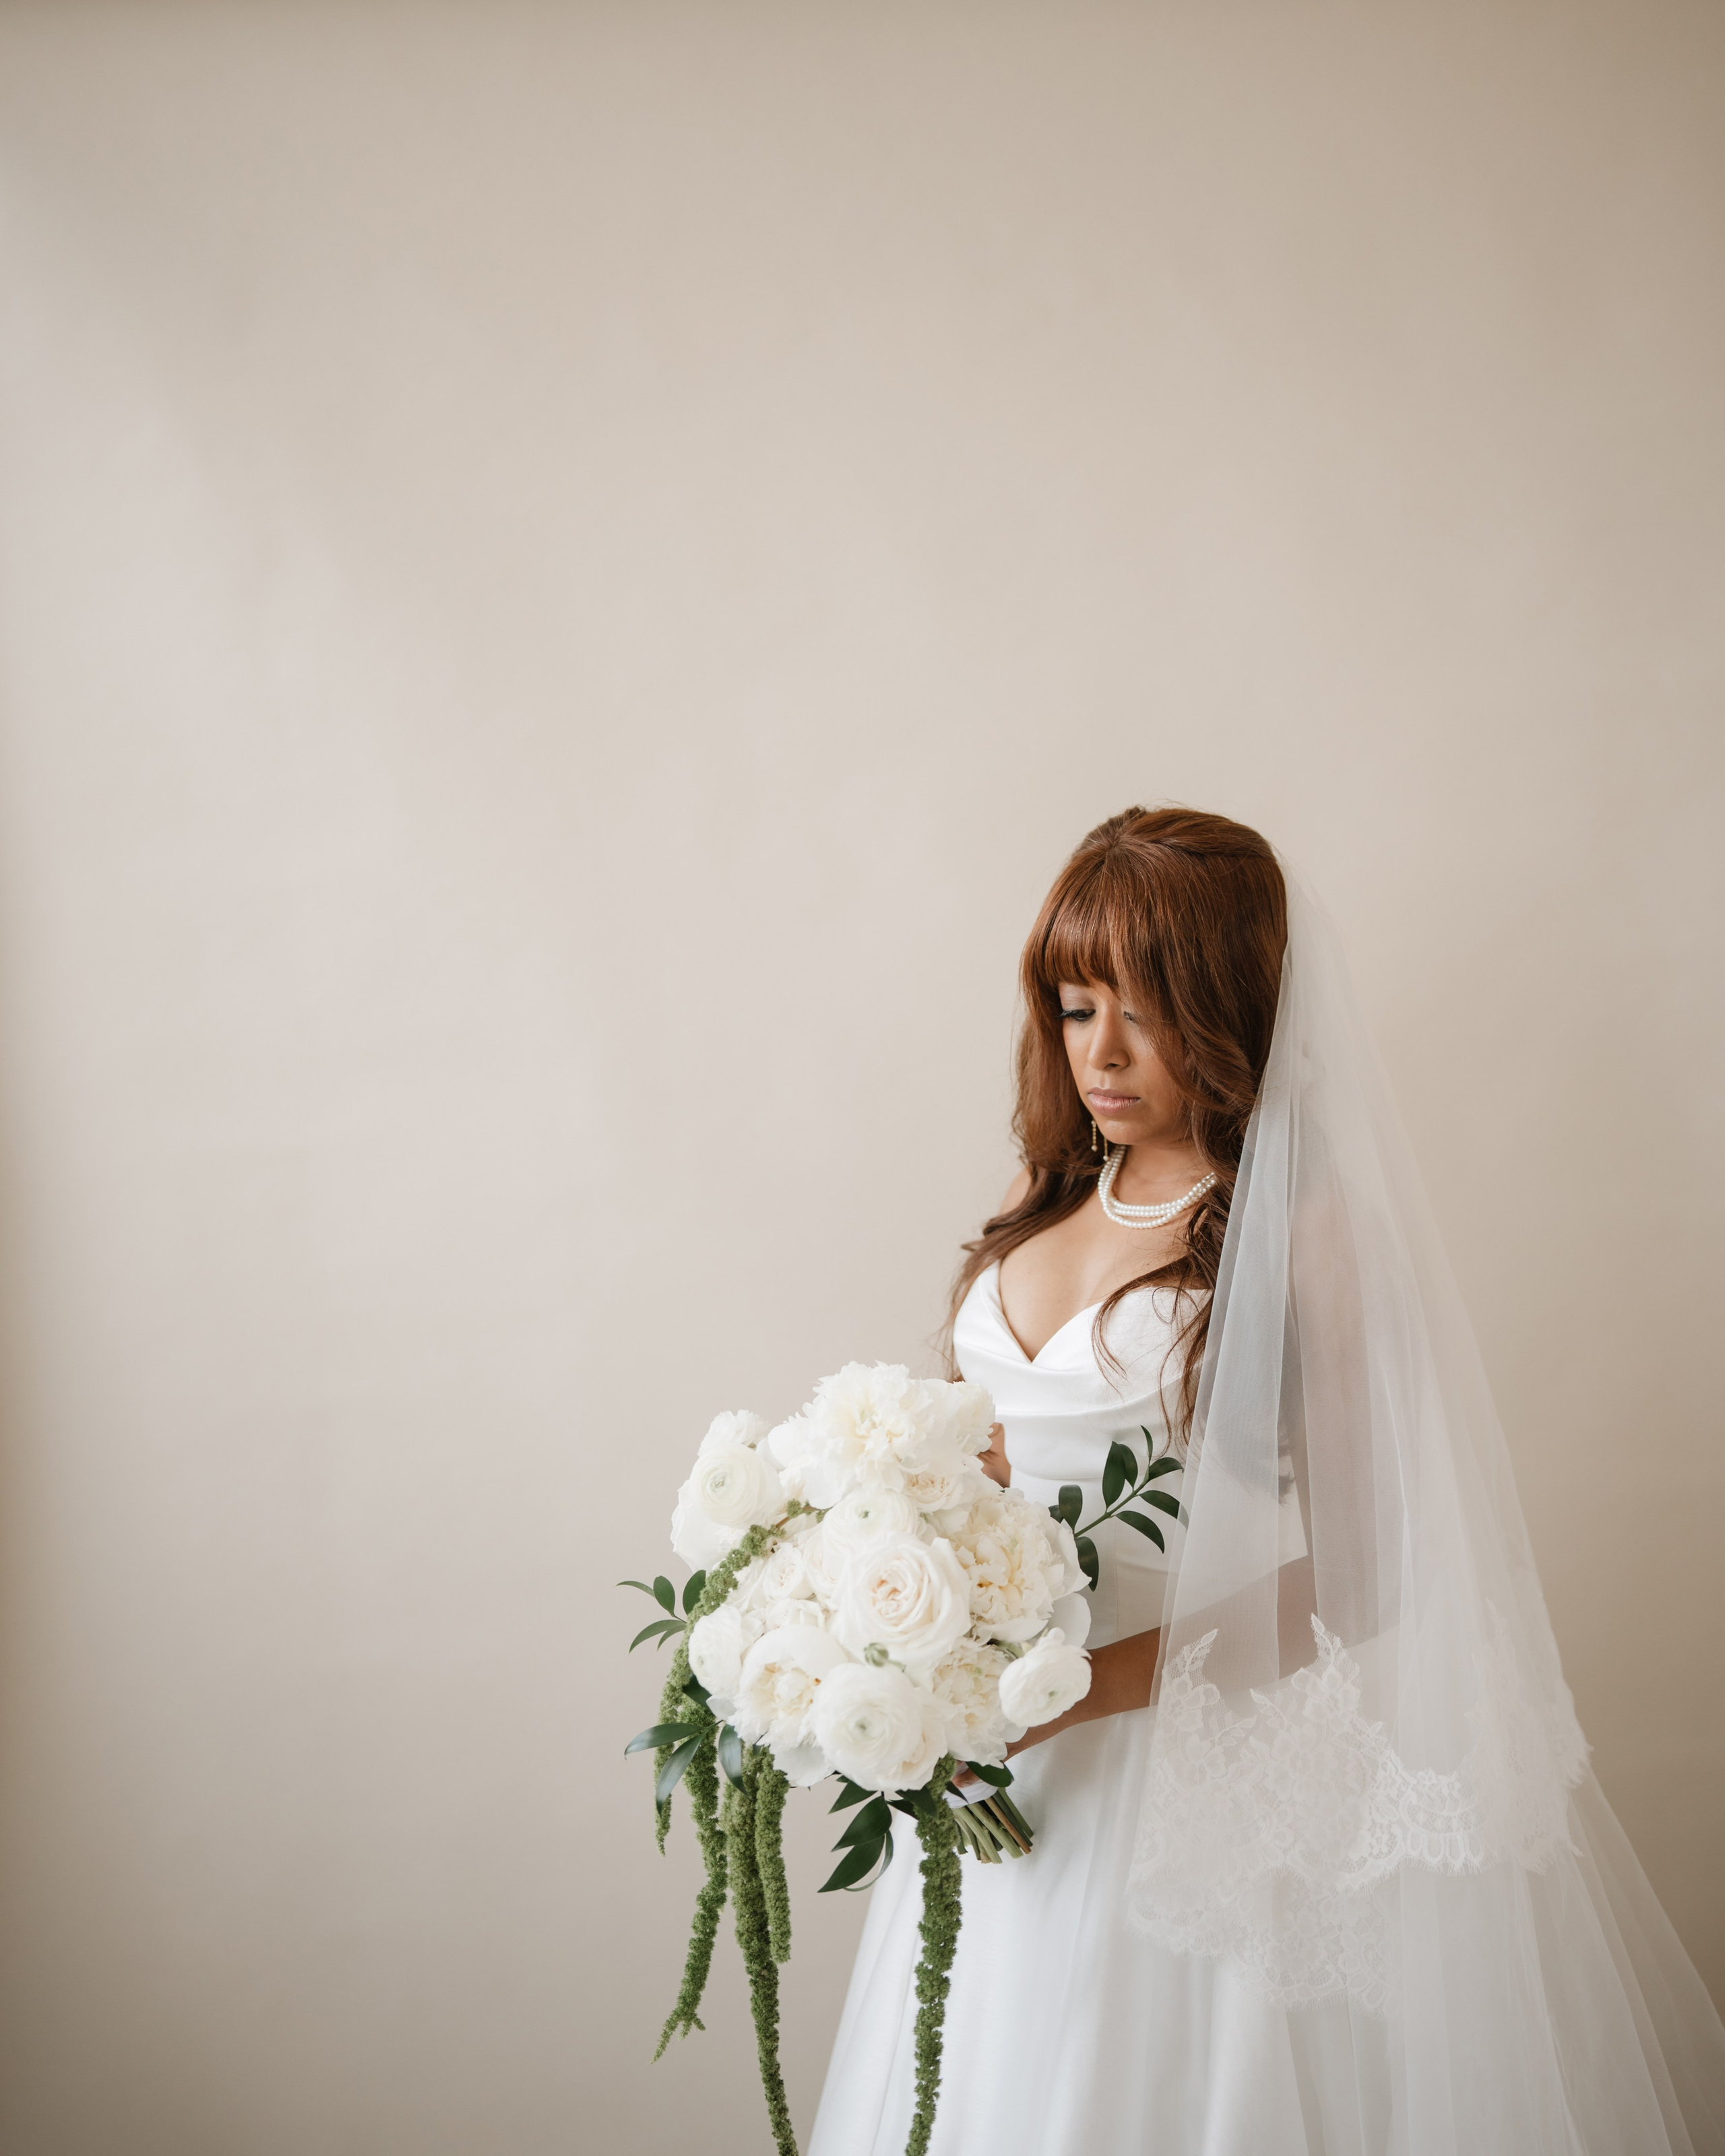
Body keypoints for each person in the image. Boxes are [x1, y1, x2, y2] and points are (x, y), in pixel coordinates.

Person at [810, 806, 1725, 2156]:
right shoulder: (1041, 1193)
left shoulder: (1302, 1233)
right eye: (1076, 1007)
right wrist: (893, 1622)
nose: (1100, 1052)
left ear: (1232, 1009)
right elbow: (975, 1473)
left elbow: (1362, 1577)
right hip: (993, 1755)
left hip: (1168, 1758)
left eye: (1145, 1011)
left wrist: (1071, 1693)